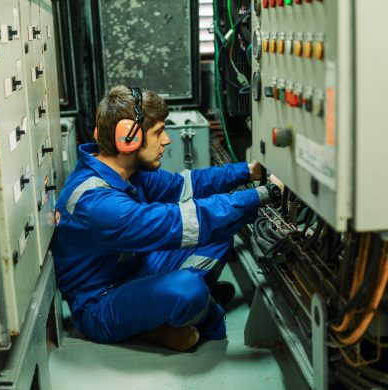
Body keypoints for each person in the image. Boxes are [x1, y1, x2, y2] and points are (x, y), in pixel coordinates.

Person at [52, 85, 281, 352]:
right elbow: (181, 222)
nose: (166, 140)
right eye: (158, 132)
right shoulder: (98, 204)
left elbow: (187, 185)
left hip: (135, 266)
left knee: (220, 231)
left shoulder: (126, 170)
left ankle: (166, 315)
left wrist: (248, 171)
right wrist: (268, 193)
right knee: (188, 289)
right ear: (129, 140)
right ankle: (195, 308)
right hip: (101, 302)